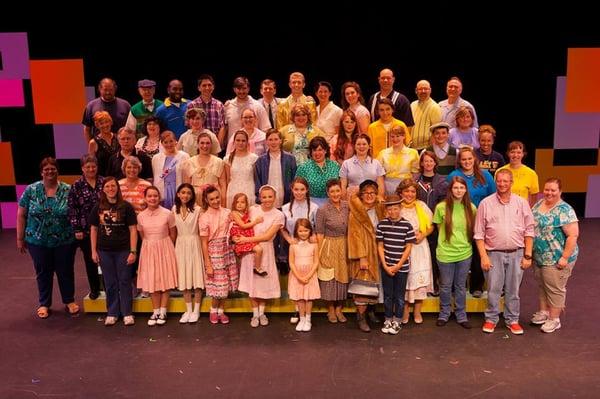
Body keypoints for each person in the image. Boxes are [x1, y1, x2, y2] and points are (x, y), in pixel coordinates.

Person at [475, 169, 535, 335]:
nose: (502, 184)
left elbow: (529, 230)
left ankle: (512, 320)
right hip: (493, 253)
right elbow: (479, 234)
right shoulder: (485, 204)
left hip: (517, 253)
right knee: (493, 289)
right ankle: (491, 319)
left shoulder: (522, 203)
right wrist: (483, 256)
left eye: (505, 181)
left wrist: (528, 255)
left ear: (511, 182)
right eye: (499, 181)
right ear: (496, 182)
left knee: (513, 290)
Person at [17, 157, 78, 319]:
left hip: (65, 240)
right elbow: (21, 215)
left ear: (57, 171)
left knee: (65, 270)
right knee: (43, 272)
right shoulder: (31, 190)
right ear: (41, 172)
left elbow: (75, 214)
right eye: (46, 169)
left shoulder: (68, 189)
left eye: (53, 168)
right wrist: (19, 238)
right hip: (37, 240)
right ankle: (44, 303)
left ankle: (69, 301)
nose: (50, 171)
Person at [531, 178, 579, 333]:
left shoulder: (565, 210)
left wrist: (564, 257)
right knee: (543, 286)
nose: (549, 193)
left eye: (553, 190)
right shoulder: (538, 204)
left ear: (560, 191)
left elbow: (573, 236)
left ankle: (554, 319)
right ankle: (545, 312)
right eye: (546, 189)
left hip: (557, 258)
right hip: (539, 256)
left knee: (555, 288)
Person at [89, 177, 138, 326]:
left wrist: (133, 251)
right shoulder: (98, 207)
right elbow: (94, 229)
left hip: (123, 250)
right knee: (110, 282)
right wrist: (93, 251)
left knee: (124, 281)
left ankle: (127, 313)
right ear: (103, 189)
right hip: (104, 251)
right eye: (108, 186)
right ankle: (112, 312)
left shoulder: (126, 207)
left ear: (118, 188)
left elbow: (133, 230)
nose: (111, 189)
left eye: (113, 186)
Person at [234, 185, 284, 328]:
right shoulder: (253, 210)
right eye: (264, 197)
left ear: (275, 197)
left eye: (270, 196)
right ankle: (255, 314)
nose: (267, 199)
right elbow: (240, 221)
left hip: (265, 251)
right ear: (259, 197)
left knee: (262, 283)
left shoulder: (278, 215)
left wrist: (245, 240)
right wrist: (237, 238)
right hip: (250, 251)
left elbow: (267, 236)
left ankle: (262, 313)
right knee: (252, 284)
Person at [433, 176, 477, 329]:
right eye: (455, 188)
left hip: (465, 253)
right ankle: (444, 313)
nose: (458, 190)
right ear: (450, 190)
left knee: (460, 286)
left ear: (465, 190)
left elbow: (472, 230)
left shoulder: (471, 208)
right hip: (445, 253)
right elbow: (439, 229)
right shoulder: (440, 207)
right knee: (445, 285)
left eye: (461, 188)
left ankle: (461, 314)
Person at [348, 180, 386, 332]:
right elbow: (354, 236)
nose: (370, 196)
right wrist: (362, 256)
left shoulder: (379, 208)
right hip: (364, 253)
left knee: (375, 283)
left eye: (373, 193)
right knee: (362, 285)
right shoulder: (356, 212)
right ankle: (361, 317)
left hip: (377, 250)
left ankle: (371, 311)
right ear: (361, 195)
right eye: (366, 193)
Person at [137, 186, 178, 326]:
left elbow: (173, 234)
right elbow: (142, 235)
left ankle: (163, 310)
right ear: (145, 198)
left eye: (155, 196)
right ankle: (155, 311)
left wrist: (166, 248)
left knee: (165, 280)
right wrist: (151, 246)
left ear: (159, 197)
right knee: (153, 280)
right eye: (149, 196)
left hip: (165, 248)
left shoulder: (167, 213)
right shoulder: (140, 216)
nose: (152, 198)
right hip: (149, 249)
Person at [376, 195, 415, 334]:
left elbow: (408, 247)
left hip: (401, 267)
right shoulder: (382, 225)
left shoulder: (407, 226)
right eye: (390, 209)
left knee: (399, 295)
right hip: (386, 266)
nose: (393, 211)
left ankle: (397, 320)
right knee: (388, 295)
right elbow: (380, 246)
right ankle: (387, 319)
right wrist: (385, 265)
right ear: (386, 210)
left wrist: (398, 265)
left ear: (400, 208)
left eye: (396, 208)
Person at [199, 186, 239, 324]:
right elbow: (204, 243)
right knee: (218, 285)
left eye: (217, 197)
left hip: (227, 249)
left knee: (226, 284)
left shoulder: (227, 212)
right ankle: (213, 309)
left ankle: (221, 311)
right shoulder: (204, 217)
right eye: (212, 199)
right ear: (206, 200)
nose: (215, 201)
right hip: (214, 251)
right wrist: (208, 263)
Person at [397, 179, 434, 324]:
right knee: (405, 281)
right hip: (403, 248)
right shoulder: (397, 207)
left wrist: (423, 234)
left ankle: (417, 312)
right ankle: (405, 312)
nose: (409, 194)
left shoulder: (422, 206)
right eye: (406, 191)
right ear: (401, 192)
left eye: (412, 191)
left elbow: (431, 226)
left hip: (420, 248)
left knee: (419, 281)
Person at [67, 154, 104, 300]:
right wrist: (77, 229)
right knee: (91, 261)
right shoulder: (76, 186)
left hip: (105, 229)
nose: (91, 169)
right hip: (85, 230)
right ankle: (94, 289)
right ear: (82, 168)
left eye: (93, 166)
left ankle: (108, 288)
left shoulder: (104, 182)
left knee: (106, 260)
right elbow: (72, 209)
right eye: (87, 166)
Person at [315, 179, 350, 324]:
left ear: (341, 191)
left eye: (337, 191)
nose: (335, 194)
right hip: (329, 244)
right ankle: (330, 309)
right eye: (332, 192)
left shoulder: (347, 206)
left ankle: (339, 309)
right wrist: (319, 253)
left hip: (344, 244)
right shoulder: (322, 210)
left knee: (343, 277)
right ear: (328, 193)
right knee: (329, 278)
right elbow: (319, 233)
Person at [172, 183, 204, 324]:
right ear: (178, 194)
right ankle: (188, 310)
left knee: (197, 278)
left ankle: (196, 310)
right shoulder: (174, 209)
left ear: (192, 196)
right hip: (180, 244)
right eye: (183, 192)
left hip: (194, 243)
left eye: (188, 193)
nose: (185, 195)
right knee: (184, 278)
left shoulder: (198, 210)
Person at [288, 218, 320, 332]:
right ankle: (301, 319)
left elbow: (316, 262)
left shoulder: (314, 245)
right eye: (300, 231)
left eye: (306, 230)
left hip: (310, 275)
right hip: (297, 275)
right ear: (296, 231)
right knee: (300, 298)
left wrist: (308, 276)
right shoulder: (293, 246)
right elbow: (291, 262)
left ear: (310, 231)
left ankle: (308, 320)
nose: (303, 233)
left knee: (308, 298)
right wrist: (298, 276)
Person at [254, 128, 297, 208]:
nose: (273, 142)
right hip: (267, 199)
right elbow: (257, 181)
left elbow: (294, 179)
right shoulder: (260, 160)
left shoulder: (290, 159)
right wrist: (260, 197)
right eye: (270, 140)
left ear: (280, 141)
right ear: (266, 141)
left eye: (276, 139)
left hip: (285, 198)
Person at [181, 132, 227, 206]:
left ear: (211, 145)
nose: (205, 146)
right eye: (202, 143)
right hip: (195, 201)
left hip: (214, 200)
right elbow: (186, 186)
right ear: (198, 145)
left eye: (207, 143)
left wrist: (224, 204)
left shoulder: (218, 162)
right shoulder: (189, 162)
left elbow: (223, 185)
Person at [223, 76, 271, 147]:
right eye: (239, 89)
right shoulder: (228, 106)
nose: (241, 91)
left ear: (248, 89)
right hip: (234, 150)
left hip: (254, 151)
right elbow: (225, 129)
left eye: (244, 88)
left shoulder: (258, 106)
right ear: (234, 89)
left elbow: (266, 129)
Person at [295, 137, 340, 207]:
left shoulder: (335, 165)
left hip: (333, 203)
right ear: (311, 152)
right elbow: (297, 188)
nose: (317, 153)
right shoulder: (303, 167)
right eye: (314, 150)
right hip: (309, 204)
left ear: (325, 150)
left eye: (320, 150)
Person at [82, 77, 131, 142]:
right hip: (99, 147)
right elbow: (87, 129)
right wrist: (91, 145)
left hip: (122, 146)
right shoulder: (91, 106)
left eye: (110, 89)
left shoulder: (125, 105)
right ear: (100, 89)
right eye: (105, 90)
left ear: (115, 88)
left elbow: (131, 128)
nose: (108, 92)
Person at [151, 131, 190, 210]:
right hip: (162, 190)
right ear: (161, 143)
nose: (169, 144)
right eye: (166, 142)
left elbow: (188, 176)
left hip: (178, 189)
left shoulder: (184, 156)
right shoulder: (156, 158)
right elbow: (156, 176)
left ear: (176, 141)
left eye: (171, 141)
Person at [376, 124, 419, 195]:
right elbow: (379, 174)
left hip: (406, 188)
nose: (395, 139)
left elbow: (416, 174)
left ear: (404, 136)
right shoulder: (383, 153)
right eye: (392, 136)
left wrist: (408, 188)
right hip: (387, 188)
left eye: (398, 136)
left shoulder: (413, 153)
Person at [340, 134, 385, 200]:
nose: (361, 147)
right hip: (353, 201)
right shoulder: (346, 163)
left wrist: (379, 199)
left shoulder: (376, 163)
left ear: (369, 146)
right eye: (358, 144)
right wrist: (344, 202)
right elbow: (343, 186)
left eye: (364, 144)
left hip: (371, 200)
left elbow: (381, 186)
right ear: (354, 146)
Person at [230, 193, 265, 276]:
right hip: (240, 237)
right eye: (237, 202)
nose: (239, 204)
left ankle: (257, 268)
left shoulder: (246, 213)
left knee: (259, 250)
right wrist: (255, 222)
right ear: (234, 204)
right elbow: (243, 225)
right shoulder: (234, 213)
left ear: (246, 204)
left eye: (242, 202)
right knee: (241, 259)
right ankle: (242, 275)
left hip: (247, 237)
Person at [496, 141, 539, 206]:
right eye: (512, 152)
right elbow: (496, 193)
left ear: (523, 154)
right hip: (502, 209)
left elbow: (534, 198)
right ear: (508, 153)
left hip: (522, 211)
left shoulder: (531, 173)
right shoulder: (499, 171)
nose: (515, 155)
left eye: (519, 152)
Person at [225, 130, 259, 209]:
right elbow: (227, 179)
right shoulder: (228, 159)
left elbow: (255, 178)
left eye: (243, 141)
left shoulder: (254, 158)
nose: (240, 143)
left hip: (249, 191)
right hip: (233, 191)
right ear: (234, 142)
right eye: (238, 140)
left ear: (247, 143)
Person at [186, 74, 226, 141]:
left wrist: (218, 145)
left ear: (213, 87)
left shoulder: (219, 105)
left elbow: (223, 127)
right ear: (199, 88)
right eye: (204, 85)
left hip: (215, 144)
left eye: (209, 85)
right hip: (198, 144)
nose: (207, 88)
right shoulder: (192, 105)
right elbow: (189, 126)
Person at [410, 80, 442, 150]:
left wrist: (429, 150)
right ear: (416, 91)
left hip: (425, 149)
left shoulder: (434, 107)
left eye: (426, 89)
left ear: (430, 90)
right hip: (411, 148)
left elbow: (436, 131)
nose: (423, 91)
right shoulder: (412, 105)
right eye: (420, 89)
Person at [87, 111, 119, 177]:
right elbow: (91, 163)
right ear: (97, 126)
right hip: (102, 179)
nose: (105, 125)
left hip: (119, 177)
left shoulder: (118, 138)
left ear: (111, 122)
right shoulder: (93, 142)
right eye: (101, 123)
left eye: (107, 122)